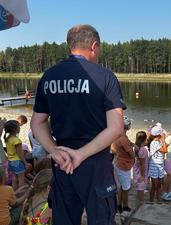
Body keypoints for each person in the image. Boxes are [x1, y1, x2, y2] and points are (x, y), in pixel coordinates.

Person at [31, 24, 126, 225]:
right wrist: (81, 154)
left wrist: (54, 151)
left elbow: (37, 122)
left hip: (62, 160)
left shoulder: (49, 76)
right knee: (101, 218)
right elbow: (116, 127)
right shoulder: (105, 76)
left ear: (70, 46)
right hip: (95, 161)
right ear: (94, 46)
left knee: (64, 218)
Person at [111, 116, 134, 214]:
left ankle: (118, 205)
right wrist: (135, 151)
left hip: (117, 163)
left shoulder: (116, 135)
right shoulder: (124, 139)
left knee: (119, 186)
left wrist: (131, 144)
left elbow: (113, 149)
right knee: (125, 188)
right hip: (124, 165)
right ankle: (124, 206)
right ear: (127, 127)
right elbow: (132, 154)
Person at [4, 120, 30, 190]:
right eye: (18, 127)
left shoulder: (8, 138)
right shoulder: (16, 140)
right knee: (21, 179)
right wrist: (25, 163)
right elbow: (20, 154)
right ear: (14, 129)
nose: (20, 128)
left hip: (10, 161)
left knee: (14, 178)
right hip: (17, 161)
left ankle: (15, 192)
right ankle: (21, 193)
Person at [148, 124, 167, 203]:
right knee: (154, 185)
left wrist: (162, 140)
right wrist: (163, 139)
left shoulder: (158, 141)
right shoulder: (154, 143)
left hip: (160, 165)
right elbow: (165, 150)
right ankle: (151, 200)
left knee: (159, 184)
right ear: (159, 134)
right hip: (154, 165)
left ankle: (158, 199)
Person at [132, 131, 148, 204]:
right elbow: (142, 164)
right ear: (145, 139)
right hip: (141, 170)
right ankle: (141, 201)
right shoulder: (143, 150)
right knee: (141, 185)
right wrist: (142, 175)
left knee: (139, 185)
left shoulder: (136, 147)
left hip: (136, 168)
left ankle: (139, 199)